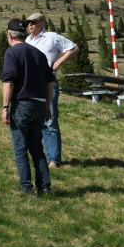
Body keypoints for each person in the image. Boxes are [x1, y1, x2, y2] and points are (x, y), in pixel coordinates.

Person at [2, 18, 55, 196]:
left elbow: (9, 82)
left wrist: (4, 107)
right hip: (40, 105)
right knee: (37, 148)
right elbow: (50, 82)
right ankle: (44, 187)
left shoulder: (12, 53)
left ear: (9, 35)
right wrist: (47, 104)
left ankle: (26, 187)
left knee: (20, 148)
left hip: (22, 105)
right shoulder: (39, 54)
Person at [25, 12, 79, 168]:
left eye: (33, 22)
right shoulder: (28, 40)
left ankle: (54, 159)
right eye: (28, 22)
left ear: (42, 23)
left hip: (47, 82)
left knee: (50, 121)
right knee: (36, 120)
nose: (30, 25)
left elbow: (74, 48)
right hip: (31, 84)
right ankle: (43, 156)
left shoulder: (51, 37)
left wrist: (58, 62)